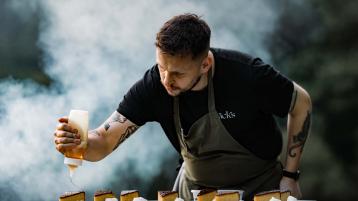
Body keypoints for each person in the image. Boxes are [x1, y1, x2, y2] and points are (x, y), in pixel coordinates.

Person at [54, 13, 312, 201]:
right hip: (195, 192)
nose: (166, 80)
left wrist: (291, 175)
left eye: (177, 73)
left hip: (261, 187)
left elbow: (301, 103)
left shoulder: (248, 75)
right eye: (161, 67)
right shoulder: (154, 85)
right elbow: (104, 141)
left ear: (205, 64)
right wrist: (82, 143)